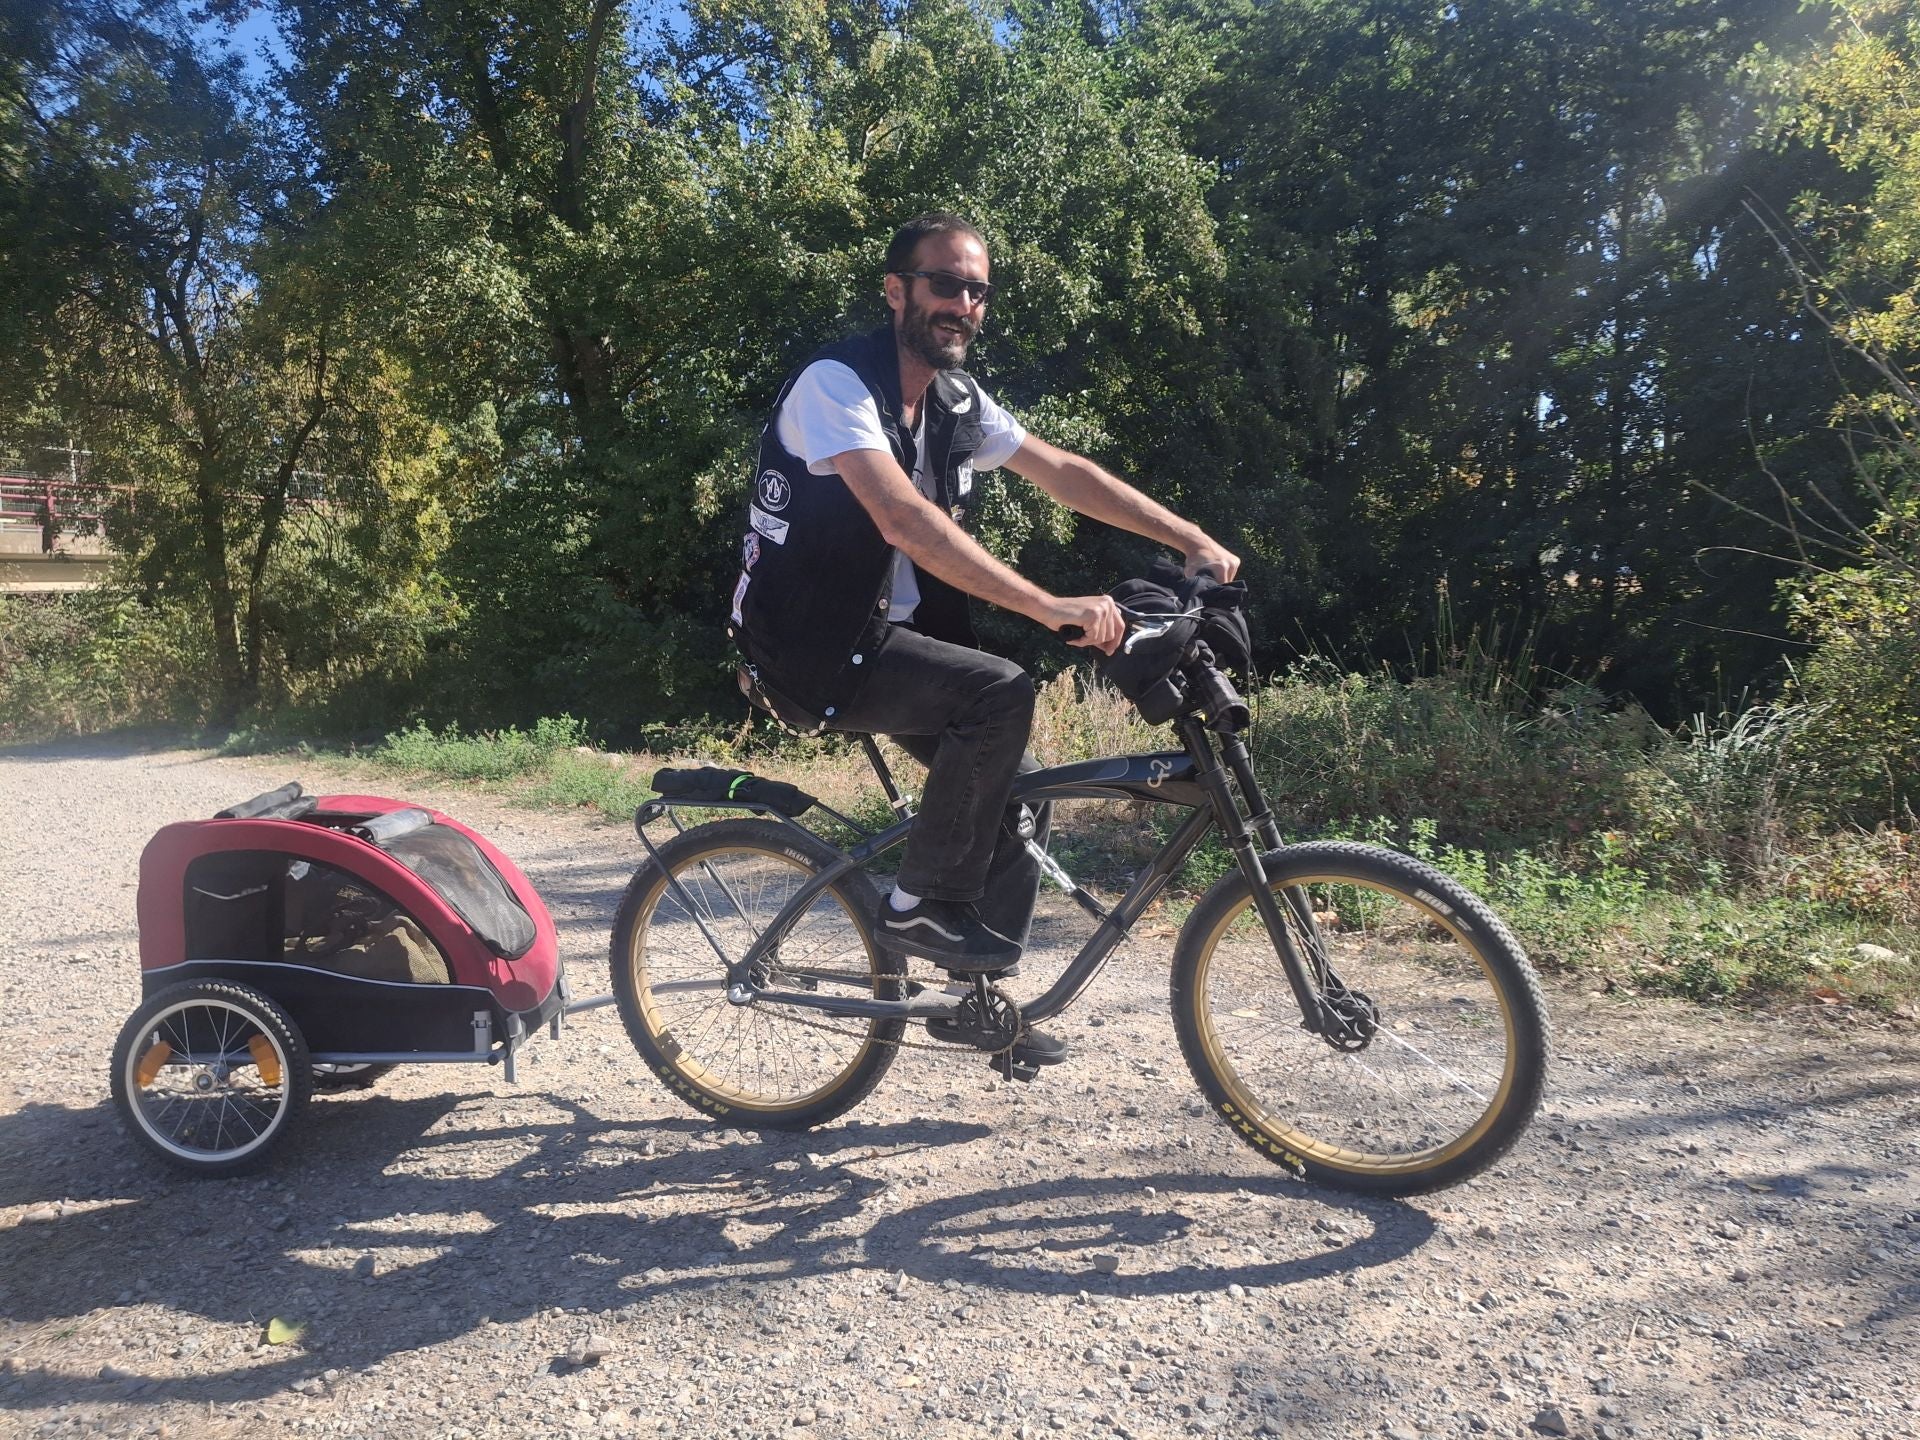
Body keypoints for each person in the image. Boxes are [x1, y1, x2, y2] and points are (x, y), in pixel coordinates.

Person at [727, 212, 1238, 1060]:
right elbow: (903, 520)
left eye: (977, 290)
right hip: (809, 647)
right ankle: (917, 902)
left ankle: (975, 1003)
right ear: (897, 292)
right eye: (944, 284)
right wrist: (1047, 603)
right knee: (1001, 690)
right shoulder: (836, 385)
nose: (962, 303)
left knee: (1019, 797)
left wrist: (1188, 536)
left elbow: (1066, 472)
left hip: (887, 642)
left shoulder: (957, 402)